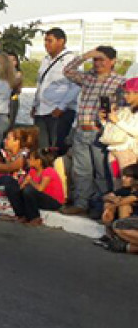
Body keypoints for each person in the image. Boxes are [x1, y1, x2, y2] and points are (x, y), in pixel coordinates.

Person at [61, 47, 126, 216]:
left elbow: (125, 106)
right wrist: (85, 56)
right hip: (82, 129)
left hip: (101, 131)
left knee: (102, 172)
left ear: (113, 61)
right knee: (81, 171)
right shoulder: (88, 77)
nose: (98, 63)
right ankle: (81, 204)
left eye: (102, 59)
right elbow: (67, 71)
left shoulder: (119, 82)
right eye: (96, 60)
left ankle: (102, 206)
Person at [98, 77, 138, 173]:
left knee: (128, 182)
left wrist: (117, 121)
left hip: (128, 151)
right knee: (117, 183)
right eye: (124, 92)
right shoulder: (125, 109)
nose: (125, 96)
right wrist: (104, 121)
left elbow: (136, 132)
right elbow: (114, 130)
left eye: (128, 93)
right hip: (114, 150)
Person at [16, 148, 65, 225]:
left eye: (30, 159)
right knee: (22, 191)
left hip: (54, 201)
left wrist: (30, 181)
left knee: (28, 191)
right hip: (41, 197)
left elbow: (40, 188)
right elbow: (22, 187)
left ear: (38, 161)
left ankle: (35, 218)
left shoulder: (48, 171)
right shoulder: (33, 170)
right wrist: (22, 185)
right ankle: (24, 215)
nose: (28, 160)